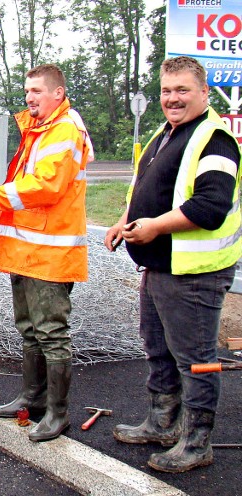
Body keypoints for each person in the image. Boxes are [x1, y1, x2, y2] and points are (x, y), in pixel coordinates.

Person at [104, 56, 241, 473]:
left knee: (197, 357)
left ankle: (197, 441)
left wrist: (155, 228)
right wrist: (126, 223)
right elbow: (153, 191)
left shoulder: (215, 138)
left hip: (195, 273)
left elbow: (211, 206)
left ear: (203, 92)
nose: (172, 98)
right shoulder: (166, 134)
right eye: (166, 90)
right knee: (159, 349)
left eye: (182, 90)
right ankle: (163, 422)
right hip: (162, 267)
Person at [0, 64, 92, 441]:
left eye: (36, 91)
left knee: (51, 333)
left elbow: (45, 187)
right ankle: (32, 399)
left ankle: (57, 413)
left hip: (50, 255)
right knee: (30, 331)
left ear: (57, 94)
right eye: (27, 91)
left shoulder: (63, 131)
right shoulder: (40, 129)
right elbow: (24, 187)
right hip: (29, 251)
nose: (29, 97)